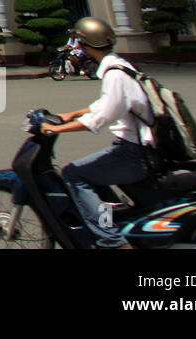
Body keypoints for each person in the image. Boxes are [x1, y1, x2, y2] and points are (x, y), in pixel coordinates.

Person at [40, 17, 157, 249]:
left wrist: (58, 128)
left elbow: (102, 116)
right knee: (93, 175)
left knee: (73, 174)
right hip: (140, 147)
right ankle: (110, 220)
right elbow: (109, 104)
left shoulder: (114, 74)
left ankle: (112, 241)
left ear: (85, 47)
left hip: (136, 152)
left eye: (79, 45)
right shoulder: (122, 65)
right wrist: (72, 113)